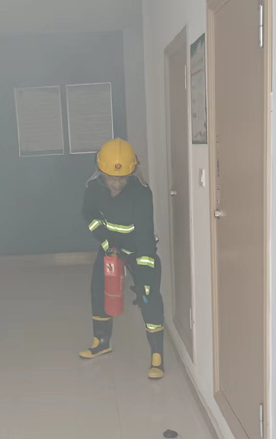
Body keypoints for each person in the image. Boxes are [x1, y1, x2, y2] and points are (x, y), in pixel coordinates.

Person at [79, 138, 165, 379]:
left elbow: (145, 235)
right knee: (99, 288)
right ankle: (101, 341)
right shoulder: (93, 187)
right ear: (101, 173)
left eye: (122, 178)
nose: (116, 183)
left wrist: (145, 273)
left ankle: (157, 356)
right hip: (110, 246)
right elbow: (89, 215)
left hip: (138, 249)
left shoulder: (141, 193)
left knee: (149, 297)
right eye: (111, 178)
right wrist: (108, 245)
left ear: (131, 173)